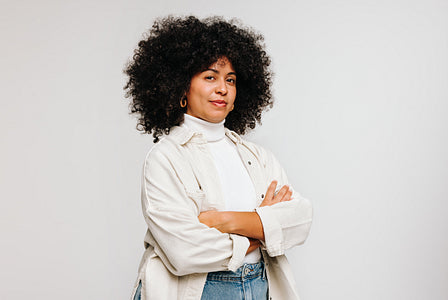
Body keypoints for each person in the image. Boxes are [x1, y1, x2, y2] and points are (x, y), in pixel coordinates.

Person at [124, 15, 313, 300]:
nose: (222, 88)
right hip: (199, 290)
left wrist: (224, 221)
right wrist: (260, 231)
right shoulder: (166, 158)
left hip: (260, 285)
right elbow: (185, 252)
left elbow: (299, 220)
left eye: (231, 79)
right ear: (181, 87)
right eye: (210, 77)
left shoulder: (257, 156)